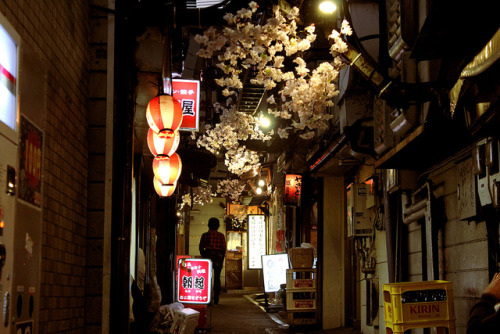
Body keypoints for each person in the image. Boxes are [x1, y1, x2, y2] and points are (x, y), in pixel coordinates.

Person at [199, 217, 226, 304]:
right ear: (218, 226)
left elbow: (201, 247)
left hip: (208, 257)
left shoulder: (205, 235)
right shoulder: (221, 235)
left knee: (207, 278)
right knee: (217, 278)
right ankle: (216, 298)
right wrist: (221, 257)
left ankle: (208, 297)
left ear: (209, 225)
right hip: (218, 257)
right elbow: (224, 248)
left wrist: (204, 256)